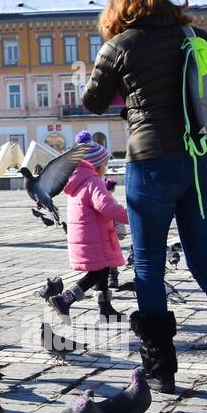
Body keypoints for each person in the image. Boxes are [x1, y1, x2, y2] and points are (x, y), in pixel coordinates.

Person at [82, 0, 207, 397]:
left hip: (151, 165)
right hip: (201, 164)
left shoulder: (120, 46)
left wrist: (129, 94)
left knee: (148, 264)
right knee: (205, 259)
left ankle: (161, 370)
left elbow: (92, 100)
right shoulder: (194, 36)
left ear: (120, 10)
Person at [51, 133, 130, 316]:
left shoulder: (76, 180)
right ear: (97, 165)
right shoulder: (93, 181)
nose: (106, 168)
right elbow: (105, 206)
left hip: (87, 235)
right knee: (95, 273)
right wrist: (131, 217)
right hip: (95, 236)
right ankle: (65, 299)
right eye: (105, 164)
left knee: (102, 270)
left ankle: (105, 308)